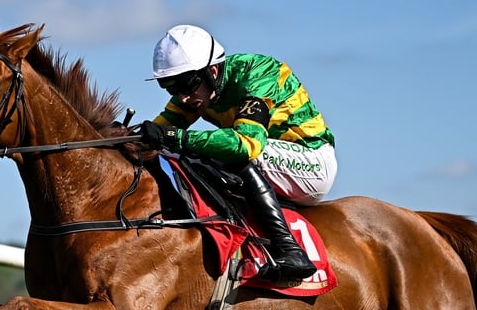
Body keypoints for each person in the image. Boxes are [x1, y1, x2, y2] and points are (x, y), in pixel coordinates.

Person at [138, 24, 337, 282]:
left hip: (311, 163)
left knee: (227, 152)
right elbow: (158, 134)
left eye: (186, 85)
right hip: (269, 165)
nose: (183, 97)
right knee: (185, 155)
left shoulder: (258, 73)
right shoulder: (198, 90)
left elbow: (247, 144)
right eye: (170, 88)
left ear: (212, 70)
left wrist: (174, 138)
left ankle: (290, 250)